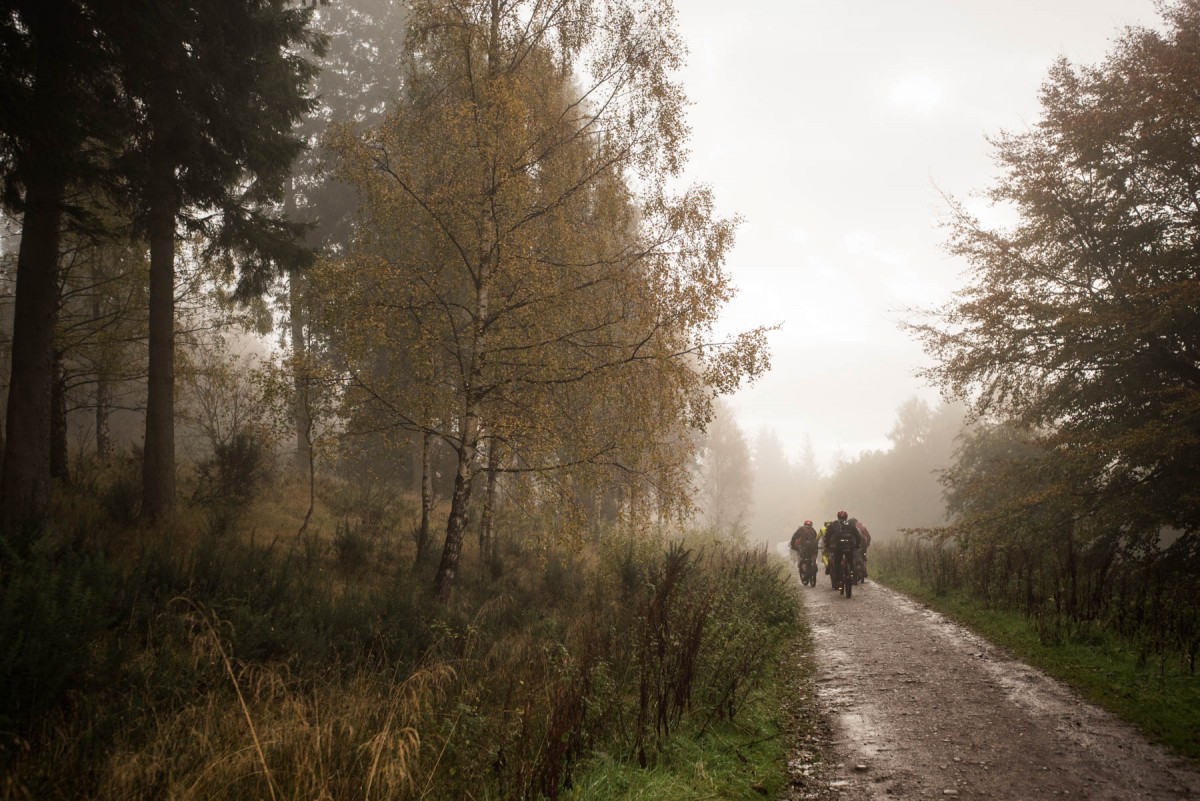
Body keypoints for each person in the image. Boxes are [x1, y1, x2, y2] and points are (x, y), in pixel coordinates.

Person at [824, 510, 863, 591]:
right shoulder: (851, 524)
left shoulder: (834, 523)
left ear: (838, 517)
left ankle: (840, 580)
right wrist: (857, 545)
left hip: (838, 546)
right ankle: (852, 573)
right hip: (849, 545)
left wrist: (827, 545)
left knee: (837, 563)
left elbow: (827, 536)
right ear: (846, 517)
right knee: (851, 559)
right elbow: (858, 536)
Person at [789, 519, 819, 584]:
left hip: (803, 548)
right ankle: (814, 565)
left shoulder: (800, 530)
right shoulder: (813, 530)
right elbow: (816, 540)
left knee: (802, 560)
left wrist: (793, 546)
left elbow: (794, 538)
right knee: (813, 558)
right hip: (812, 548)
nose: (807, 528)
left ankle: (805, 572)